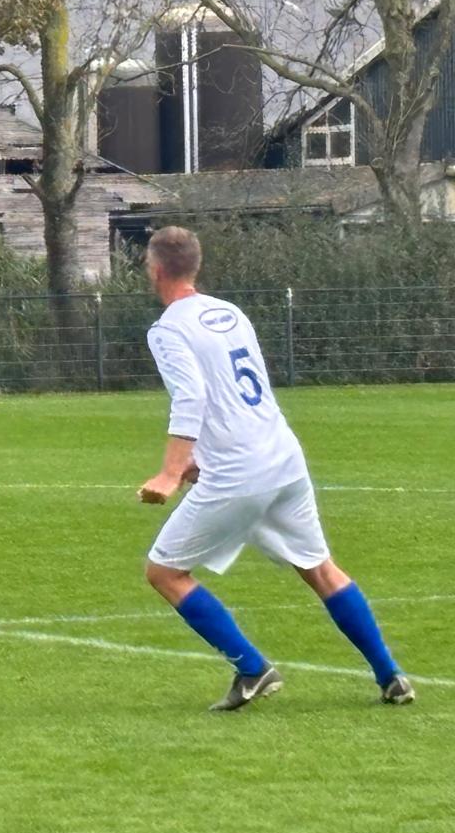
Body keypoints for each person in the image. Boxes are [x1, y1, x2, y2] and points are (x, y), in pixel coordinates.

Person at [137, 226, 410, 710]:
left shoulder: (168, 330)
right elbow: (237, 393)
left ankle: (252, 668)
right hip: (281, 456)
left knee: (165, 572)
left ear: (155, 270)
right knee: (320, 568)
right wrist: (202, 457)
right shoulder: (229, 313)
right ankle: (391, 676)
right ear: (196, 265)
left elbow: (192, 397)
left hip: (240, 472)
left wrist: (171, 471)